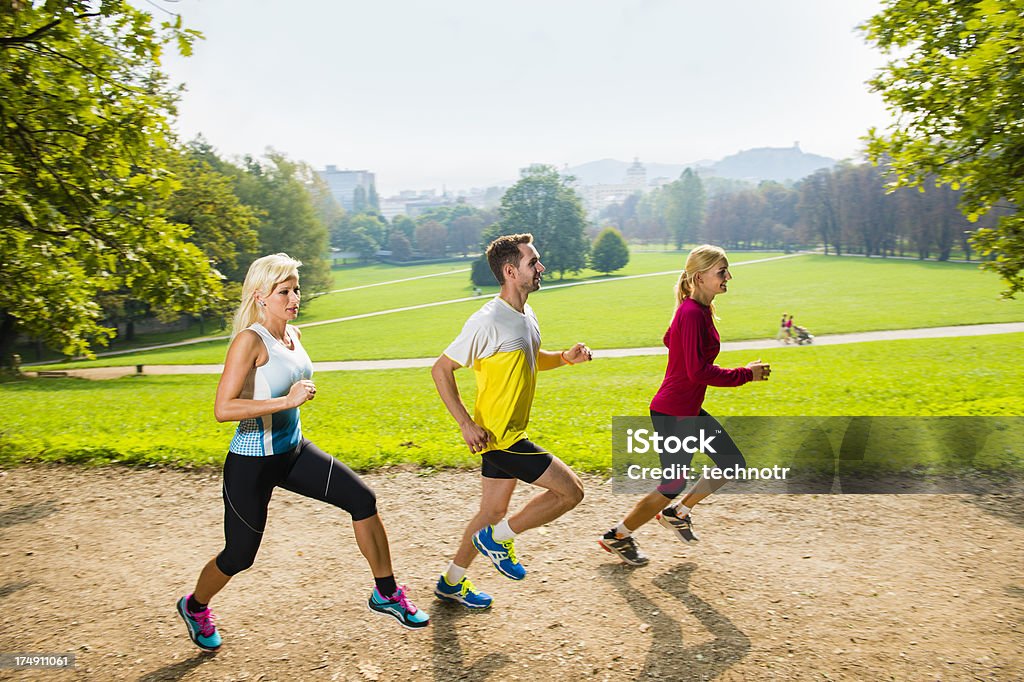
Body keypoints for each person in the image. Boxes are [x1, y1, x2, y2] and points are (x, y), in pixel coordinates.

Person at [176, 253, 428, 652]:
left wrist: (296, 395)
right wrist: (286, 401)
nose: (295, 298)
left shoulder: (293, 336)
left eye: (296, 289)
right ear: (261, 296)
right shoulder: (249, 342)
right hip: (251, 463)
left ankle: (386, 592)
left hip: (292, 452)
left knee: (363, 500)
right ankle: (195, 605)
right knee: (239, 556)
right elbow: (223, 409)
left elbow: (288, 385)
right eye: (284, 291)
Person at [431, 233, 591, 609]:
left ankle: (452, 582)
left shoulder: (526, 314)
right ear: (509, 271)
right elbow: (441, 369)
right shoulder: (487, 320)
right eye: (533, 262)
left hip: (504, 435)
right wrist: (466, 424)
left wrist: (565, 358)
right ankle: (499, 539)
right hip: (502, 439)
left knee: (490, 512)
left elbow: (533, 357)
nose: (541, 268)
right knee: (571, 492)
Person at [598, 244, 771, 566]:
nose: (728, 276)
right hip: (674, 411)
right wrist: (747, 374)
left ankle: (678, 512)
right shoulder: (692, 312)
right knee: (673, 482)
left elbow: (669, 340)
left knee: (731, 462)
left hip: (685, 409)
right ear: (700, 276)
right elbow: (697, 371)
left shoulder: (697, 310)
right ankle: (618, 536)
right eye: (722, 272)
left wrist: (684, 333)